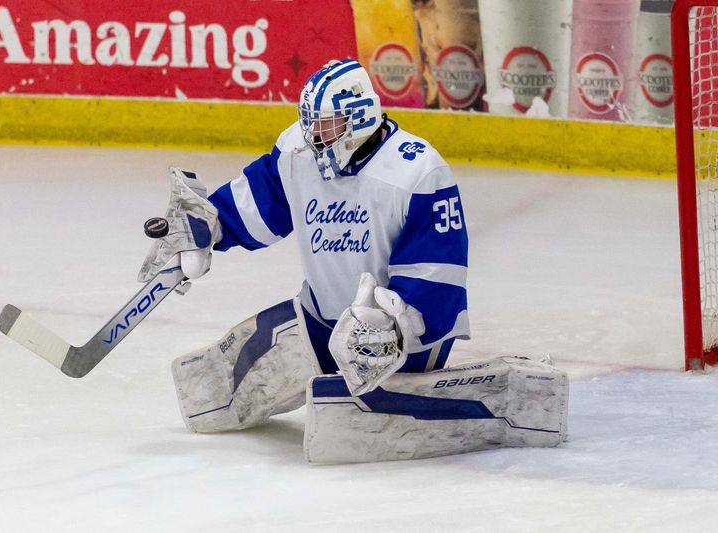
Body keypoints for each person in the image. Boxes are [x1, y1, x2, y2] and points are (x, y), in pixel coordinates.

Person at [138, 59, 568, 463]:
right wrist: (209, 227)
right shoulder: (298, 152)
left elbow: (438, 272)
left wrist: (394, 326)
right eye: (309, 125)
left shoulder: (416, 171)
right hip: (318, 317)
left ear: (359, 117)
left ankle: (502, 401)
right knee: (208, 394)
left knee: (342, 425)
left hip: (400, 341)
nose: (313, 138)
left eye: (325, 126)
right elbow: (261, 201)